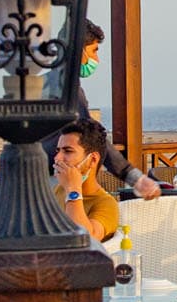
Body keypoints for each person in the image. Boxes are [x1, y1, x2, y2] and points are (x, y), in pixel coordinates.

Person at [57, 20, 162, 200]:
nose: (96, 60)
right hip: (56, 179)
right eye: (94, 51)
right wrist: (134, 177)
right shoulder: (67, 87)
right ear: (80, 51)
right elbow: (90, 136)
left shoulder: (52, 81)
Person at [53, 117, 120, 243]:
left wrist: (73, 189)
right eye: (58, 151)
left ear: (93, 159)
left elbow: (83, 239)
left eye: (68, 151)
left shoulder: (106, 204)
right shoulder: (59, 189)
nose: (57, 158)